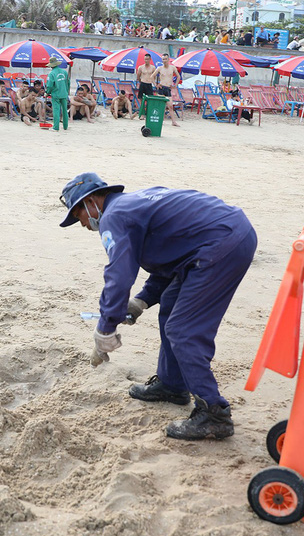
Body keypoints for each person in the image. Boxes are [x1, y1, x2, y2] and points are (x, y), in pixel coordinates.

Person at [57, 173, 257, 440]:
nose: (81, 224)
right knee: (171, 307)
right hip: (224, 235)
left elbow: (118, 275)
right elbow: (170, 252)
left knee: (183, 330)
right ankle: (172, 385)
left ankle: (214, 414)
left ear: (91, 202)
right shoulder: (130, 204)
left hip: (221, 244)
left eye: (78, 215)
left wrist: (105, 329)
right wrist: (142, 300)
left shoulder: (112, 217)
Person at [153, 53, 180, 127]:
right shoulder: (159, 68)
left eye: (165, 59)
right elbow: (152, 76)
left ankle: (173, 121)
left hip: (168, 88)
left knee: (170, 106)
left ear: (168, 59)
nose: (164, 61)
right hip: (161, 87)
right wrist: (155, 84)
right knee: (160, 106)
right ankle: (159, 120)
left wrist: (175, 85)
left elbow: (178, 76)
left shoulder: (172, 68)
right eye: (163, 59)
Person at [47, 57, 70, 131]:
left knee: (56, 110)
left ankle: (56, 127)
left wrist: (47, 92)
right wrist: (66, 91)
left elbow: (50, 85)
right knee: (64, 110)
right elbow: (68, 83)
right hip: (64, 93)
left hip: (56, 94)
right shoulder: (64, 72)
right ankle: (65, 126)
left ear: (51, 65)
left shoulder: (51, 74)